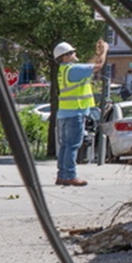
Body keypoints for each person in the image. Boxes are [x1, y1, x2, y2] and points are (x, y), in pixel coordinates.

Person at [52, 38, 108, 187]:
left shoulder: (66, 70)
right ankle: (69, 175)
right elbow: (98, 66)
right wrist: (104, 51)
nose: (74, 54)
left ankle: (62, 175)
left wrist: (97, 53)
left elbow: (88, 66)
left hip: (65, 113)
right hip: (75, 112)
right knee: (72, 145)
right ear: (65, 56)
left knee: (65, 145)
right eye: (71, 52)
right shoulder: (74, 70)